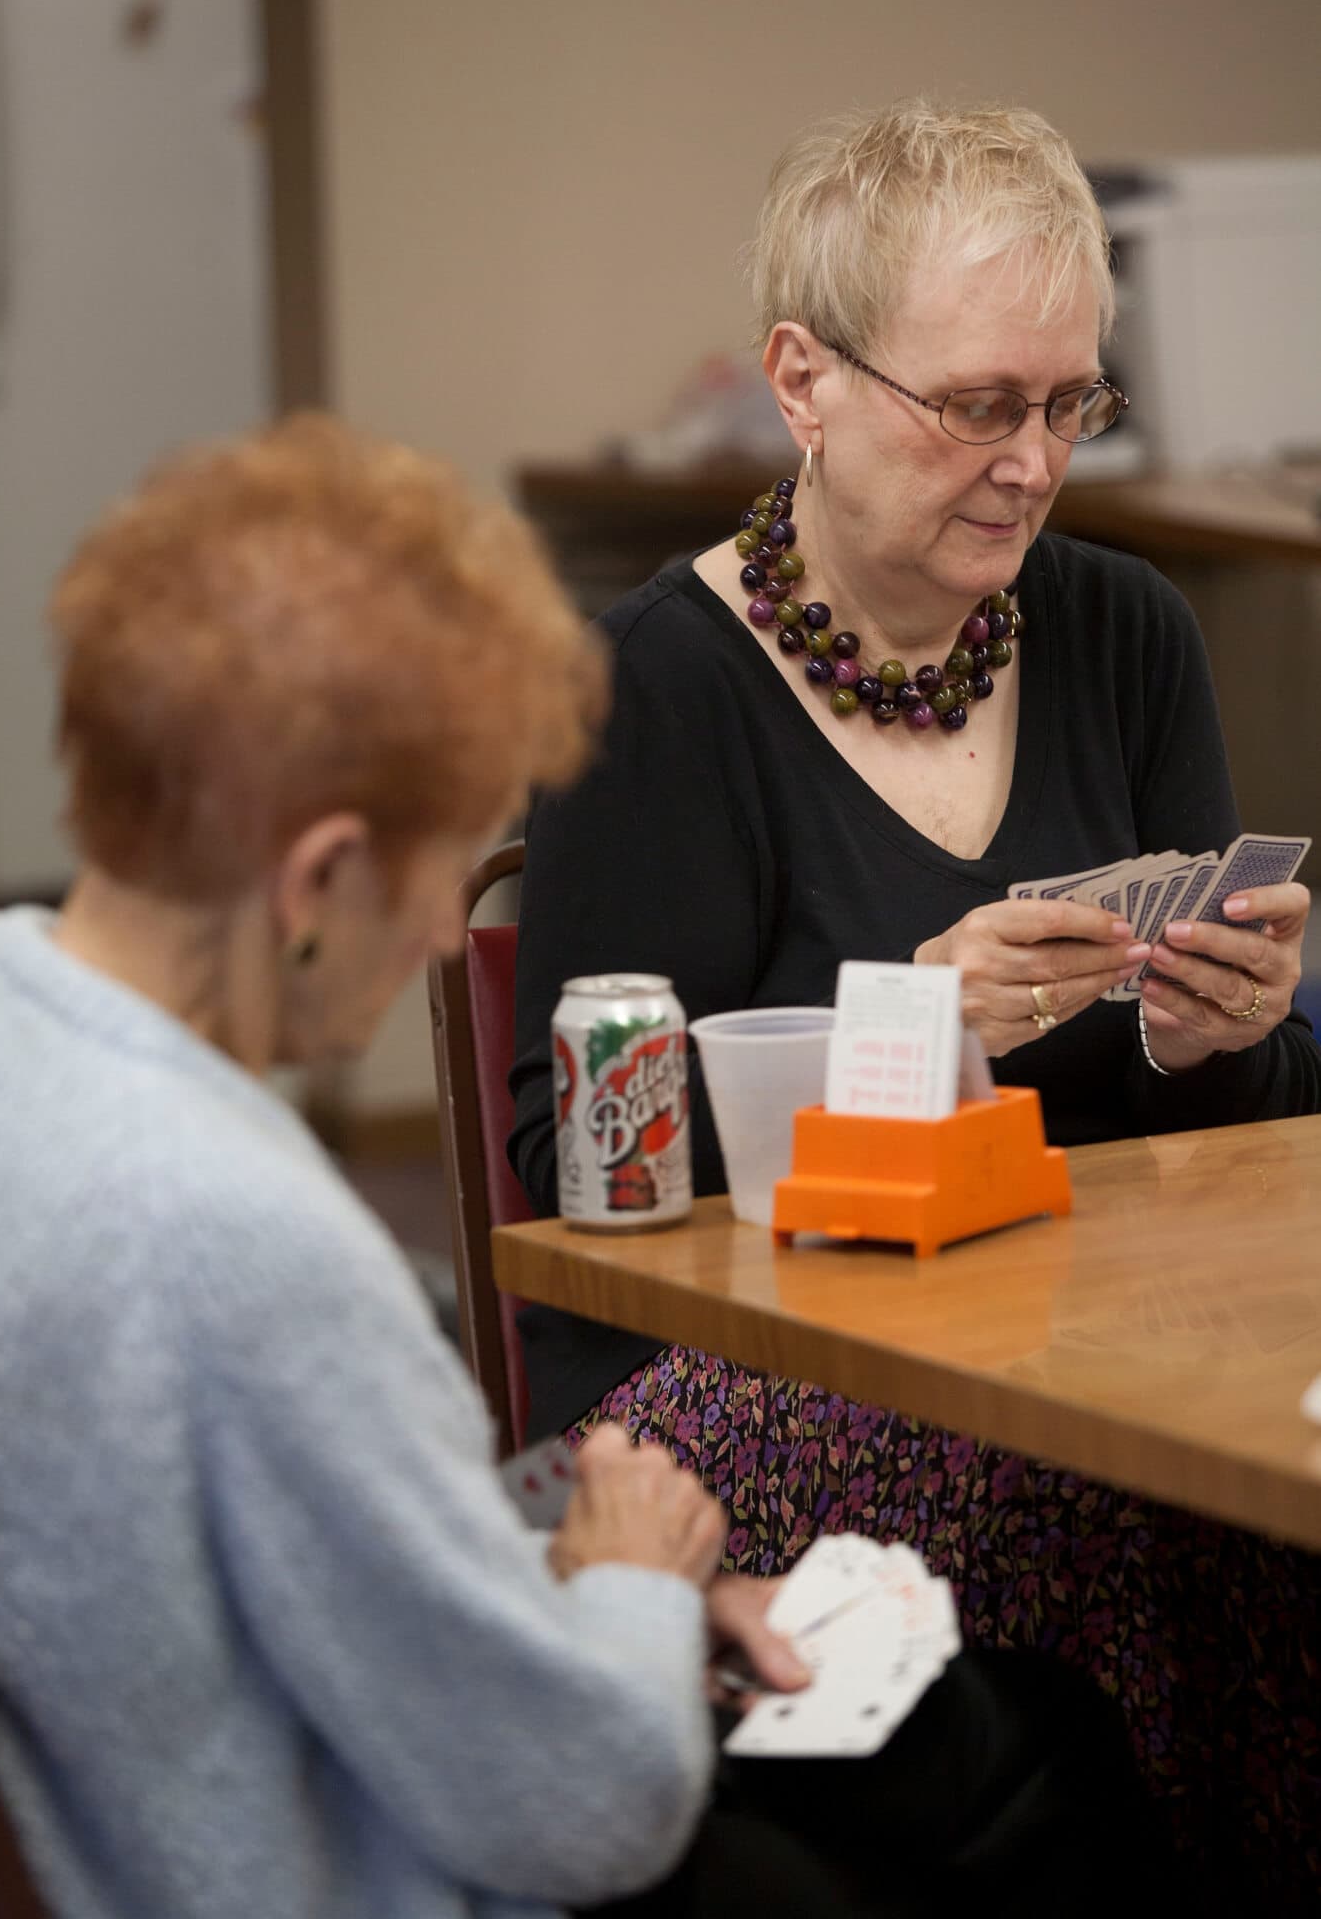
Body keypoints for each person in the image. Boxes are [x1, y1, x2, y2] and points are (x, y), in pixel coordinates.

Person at [0, 414, 1176, 1919]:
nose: (432, 947)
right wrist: (639, 1580)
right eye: (424, 879)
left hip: (240, 1761)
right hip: (373, 1856)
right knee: (1039, 1766)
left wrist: (590, 1596)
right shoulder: (249, 1240)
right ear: (322, 874)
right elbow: (579, 1809)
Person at [509, 101, 1321, 1908]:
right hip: (745, 1384)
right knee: (1175, 1533)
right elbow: (569, 1183)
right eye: (974, 406)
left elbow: (1248, 1137)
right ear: (800, 380)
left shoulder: (1123, 638)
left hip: (1118, 1347)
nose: (1030, 466)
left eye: (1068, 406)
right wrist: (904, 1026)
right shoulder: (653, 690)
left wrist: (1228, 1034)